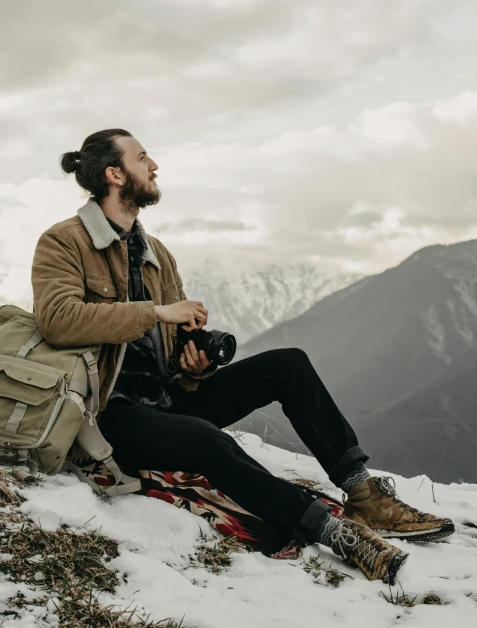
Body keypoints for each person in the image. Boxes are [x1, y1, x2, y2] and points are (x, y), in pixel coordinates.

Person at [31, 128, 454, 585]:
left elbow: (172, 347)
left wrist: (196, 363)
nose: (154, 166)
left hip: (165, 400)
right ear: (115, 174)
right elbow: (57, 318)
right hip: (108, 414)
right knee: (206, 440)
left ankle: (363, 494)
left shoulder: (157, 255)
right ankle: (332, 531)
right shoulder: (63, 242)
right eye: (142, 158)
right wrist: (154, 311)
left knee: (287, 364)